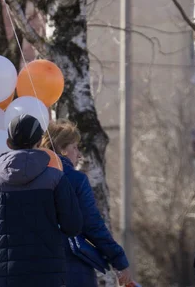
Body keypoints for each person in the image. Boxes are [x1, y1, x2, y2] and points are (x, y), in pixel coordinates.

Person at [0, 114, 83, 287]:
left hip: (6, 278)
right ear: (40, 142)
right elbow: (73, 226)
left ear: (9, 143)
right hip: (48, 276)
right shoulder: (56, 179)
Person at [40, 119, 133, 287]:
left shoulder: (30, 179)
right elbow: (92, 225)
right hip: (72, 269)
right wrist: (118, 259)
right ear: (62, 150)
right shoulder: (76, 180)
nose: (79, 154)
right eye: (74, 147)